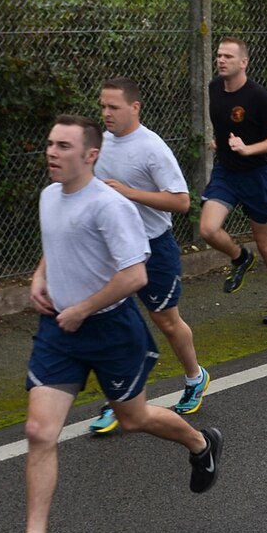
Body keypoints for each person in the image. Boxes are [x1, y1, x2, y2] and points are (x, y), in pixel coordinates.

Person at [0, 116, 221, 533]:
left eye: (63, 146)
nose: (52, 152)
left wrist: (84, 307)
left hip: (111, 329)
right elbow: (57, 242)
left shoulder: (110, 206)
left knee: (133, 419)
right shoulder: (49, 196)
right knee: (38, 431)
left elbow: (134, 274)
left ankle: (200, 443)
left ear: (90, 155)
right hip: (60, 330)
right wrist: (39, 277)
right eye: (50, 143)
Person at [90, 77, 209, 436]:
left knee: (167, 322)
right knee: (112, 324)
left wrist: (129, 193)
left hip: (155, 248)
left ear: (134, 107)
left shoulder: (152, 148)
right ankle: (119, 398)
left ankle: (195, 377)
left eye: (113, 107)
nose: (106, 113)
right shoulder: (101, 143)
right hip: (116, 250)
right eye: (102, 106)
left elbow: (182, 201)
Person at [199, 37, 267, 324]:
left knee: (265, 242)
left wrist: (248, 149)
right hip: (226, 172)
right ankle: (240, 257)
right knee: (207, 229)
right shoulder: (214, 89)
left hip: (256, 175)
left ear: (244, 62)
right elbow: (225, 125)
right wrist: (219, 142)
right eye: (219, 55)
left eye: (228, 56)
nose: (221, 60)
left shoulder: (258, 97)